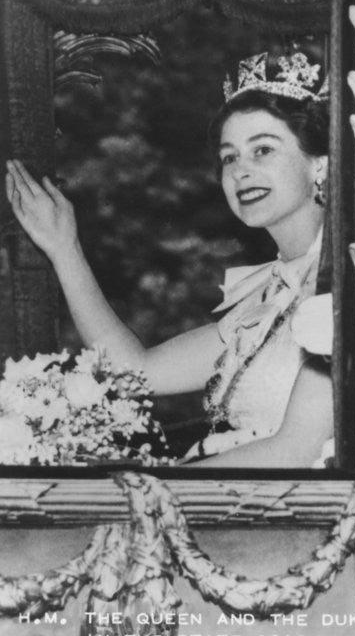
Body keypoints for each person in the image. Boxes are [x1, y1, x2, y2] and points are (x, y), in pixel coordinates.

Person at [4, 50, 334, 467]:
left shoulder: (341, 284)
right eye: (229, 157)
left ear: (320, 164)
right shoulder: (266, 296)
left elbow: (295, 450)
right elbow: (136, 370)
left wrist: (151, 491)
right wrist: (64, 248)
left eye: (263, 150)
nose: (240, 171)